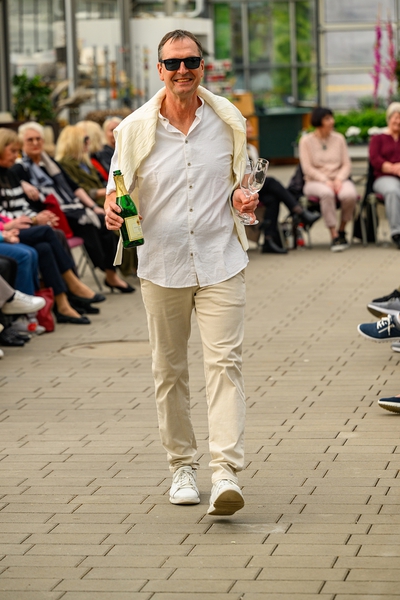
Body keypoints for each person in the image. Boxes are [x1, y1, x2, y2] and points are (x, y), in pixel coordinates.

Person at [104, 29, 259, 516]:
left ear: (202, 66)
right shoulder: (133, 128)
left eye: (190, 61)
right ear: (159, 70)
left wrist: (242, 198)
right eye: (172, 63)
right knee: (169, 370)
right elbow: (116, 188)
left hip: (220, 259)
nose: (182, 70)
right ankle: (182, 467)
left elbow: (240, 182)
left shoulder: (228, 121)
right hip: (162, 264)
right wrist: (112, 209)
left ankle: (226, 472)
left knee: (225, 364)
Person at [11, 124, 134, 293]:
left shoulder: (50, 163)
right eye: (30, 140)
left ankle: (111, 274)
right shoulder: (19, 168)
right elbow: (12, 183)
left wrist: (93, 207)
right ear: (22, 143)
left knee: (102, 220)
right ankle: (103, 273)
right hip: (51, 213)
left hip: (72, 207)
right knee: (89, 224)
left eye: (38, 139)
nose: (35, 143)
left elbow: (74, 187)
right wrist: (22, 183)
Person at [0, 128, 105, 323]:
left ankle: (62, 304)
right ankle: (73, 286)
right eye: (13, 151)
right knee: (50, 232)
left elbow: (21, 206)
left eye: (38, 139)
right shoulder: (17, 170)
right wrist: (33, 220)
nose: (16, 155)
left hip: (18, 225)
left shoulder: (12, 173)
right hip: (7, 230)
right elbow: (5, 215)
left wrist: (37, 216)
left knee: (46, 247)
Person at [246, 121, 319, 254]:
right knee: (272, 182)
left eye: (250, 126)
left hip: (254, 188)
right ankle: (299, 211)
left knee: (272, 198)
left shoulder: (251, 148)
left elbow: (258, 173)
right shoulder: (233, 148)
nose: (250, 129)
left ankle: (268, 240)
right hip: (240, 189)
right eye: (247, 126)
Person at [299, 106, 358, 252]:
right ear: (318, 121)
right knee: (327, 193)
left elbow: (346, 164)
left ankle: (342, 229)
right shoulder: (306, 141)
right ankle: (333, 234)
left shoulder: (339, 139)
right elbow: (307, 168)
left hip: (339, 179)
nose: (332, 121)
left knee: (350, 194)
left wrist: (338, 179)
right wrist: (325, 180)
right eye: (327, 119)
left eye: (332, 118)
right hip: (314, 181)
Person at [369, 102, 400, 249]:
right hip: (383, 177)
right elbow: (375, 159)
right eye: (396, 117)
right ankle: (397, 232)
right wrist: (394, 168)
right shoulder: (378, 138)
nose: (398, 121)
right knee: (393, 191)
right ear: (389, 118)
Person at [55, 125, 106, 204]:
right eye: (85, 139)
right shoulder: (64, 163)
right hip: (91, 205)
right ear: (74, 141)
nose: (88, 142)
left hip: (103, 203)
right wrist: (106, 191)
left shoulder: (84, 162)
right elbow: (77, 188)